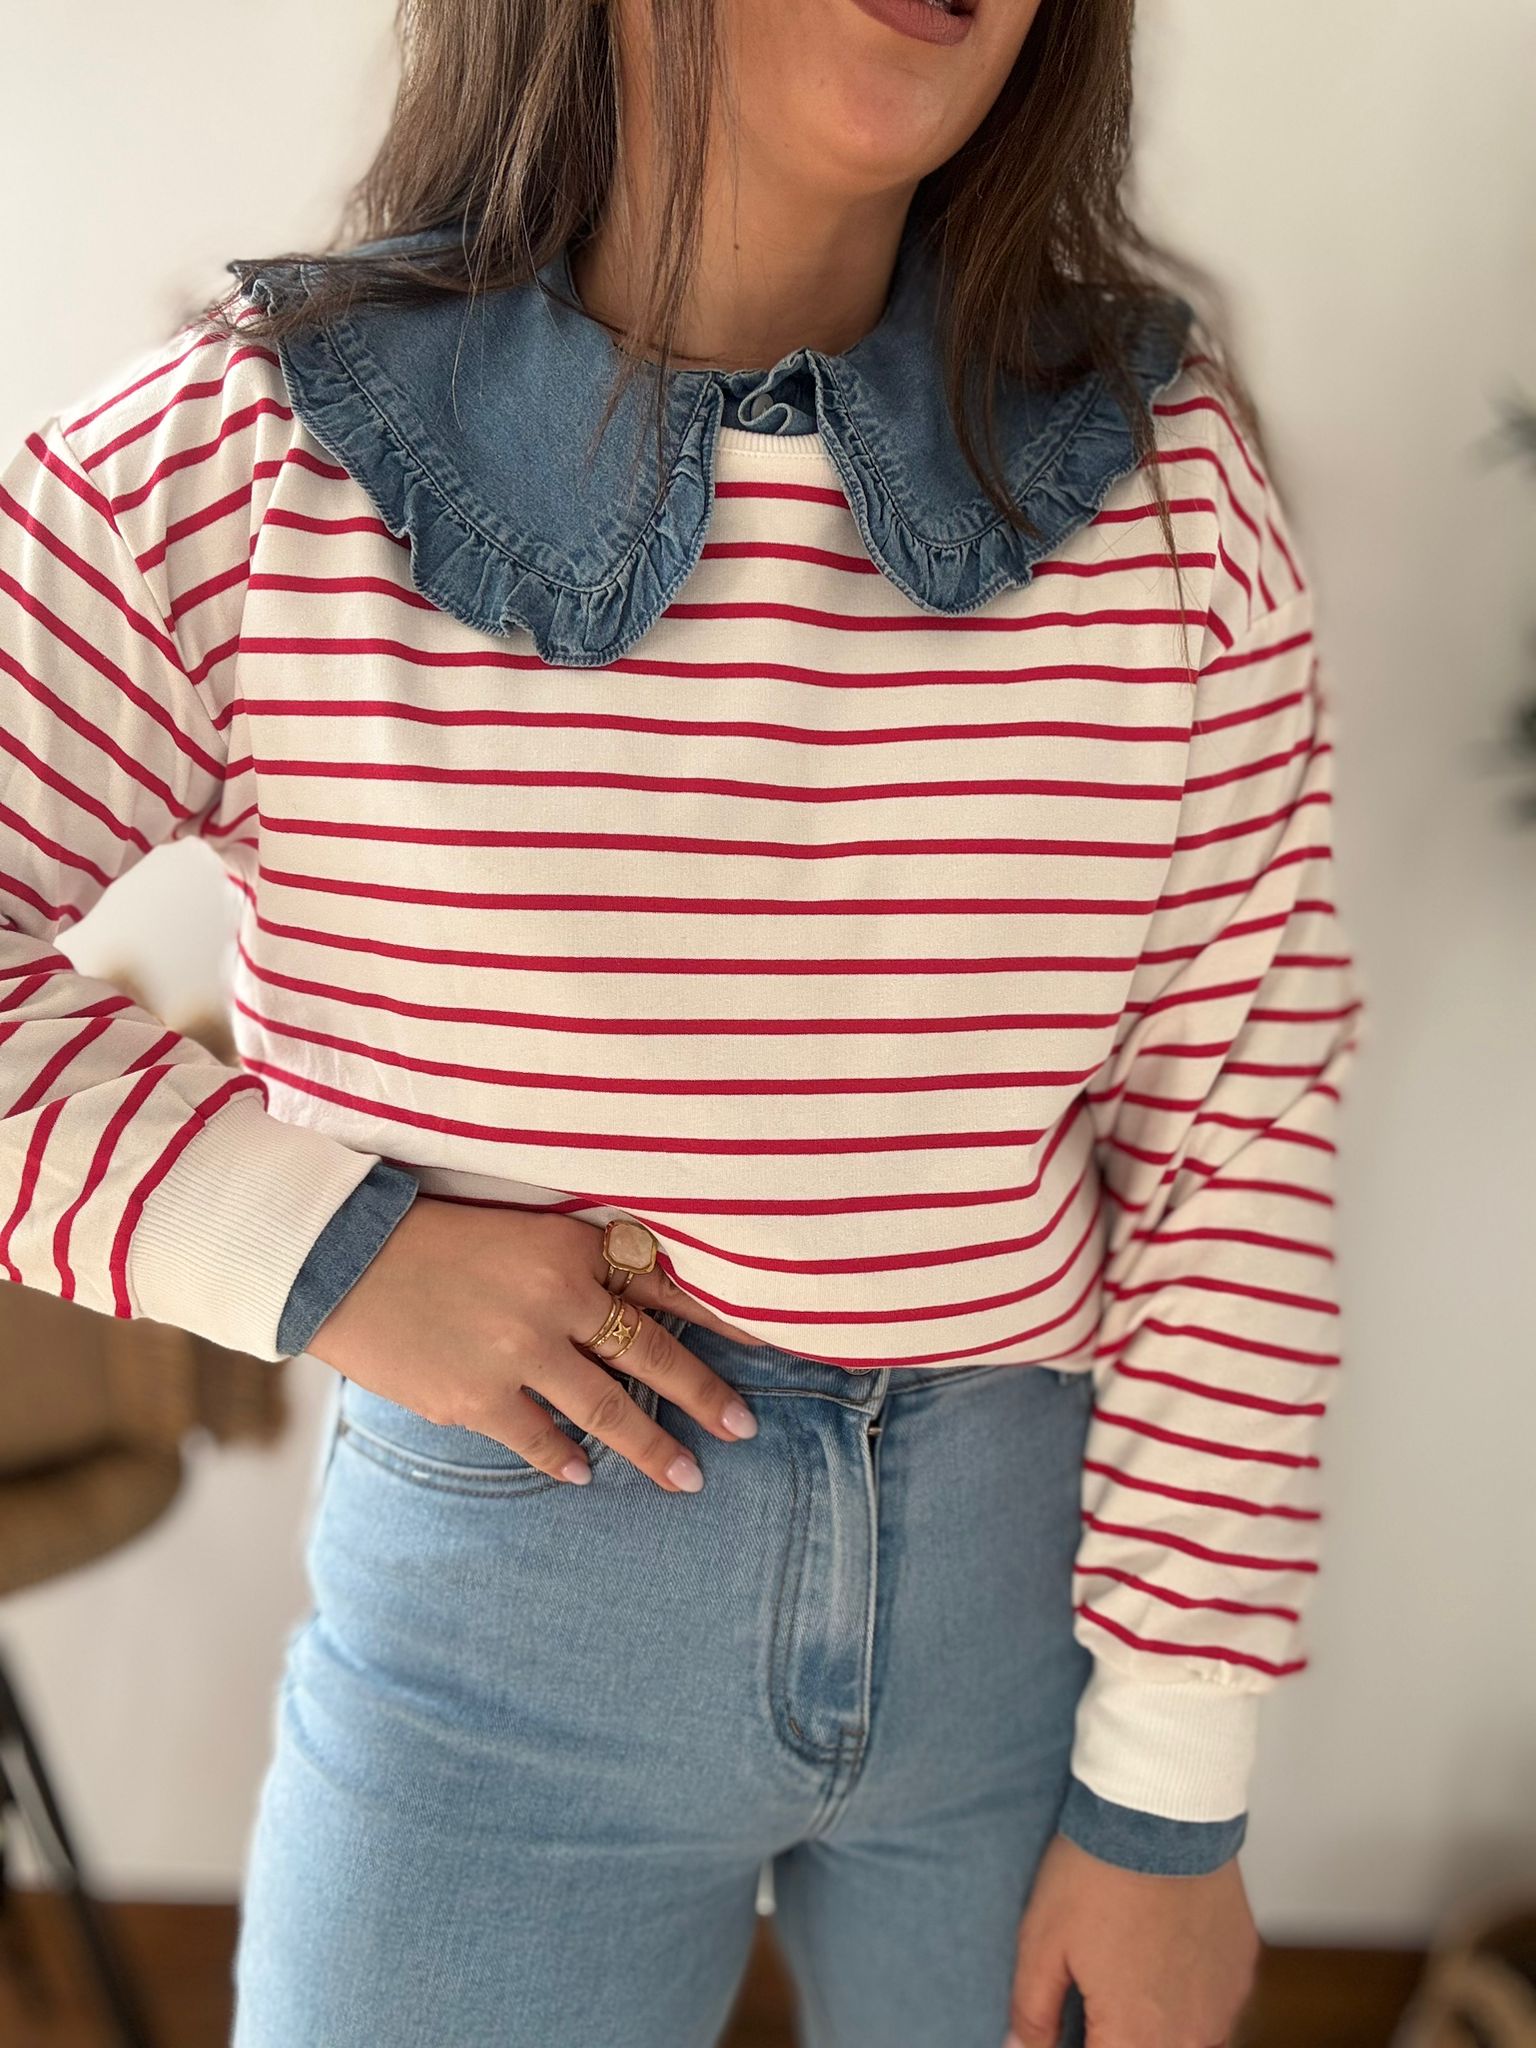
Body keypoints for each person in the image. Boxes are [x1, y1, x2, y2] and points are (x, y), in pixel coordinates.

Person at [0, 0, 1366, 2042]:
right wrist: (325, 1257)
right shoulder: (257, 461)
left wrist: (1173, 1798)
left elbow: (1241, 1143)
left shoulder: (1168, 495)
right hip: (498, 1656)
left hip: (1029, 1652)